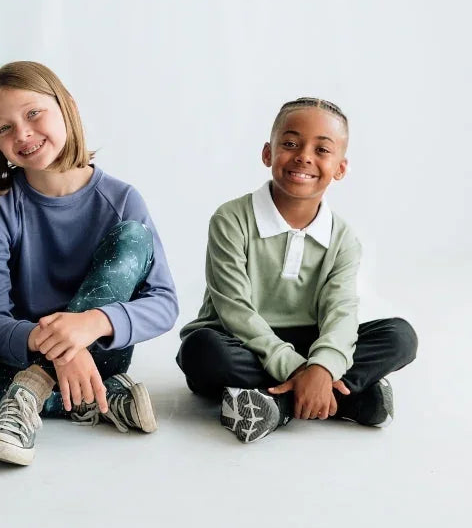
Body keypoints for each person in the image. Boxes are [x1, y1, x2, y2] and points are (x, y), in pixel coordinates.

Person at [0, 61, 178, 466]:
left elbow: (165, 303)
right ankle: (99, 399)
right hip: (22, 351)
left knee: (134, 236)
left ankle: (31, 393)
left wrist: (89, 325)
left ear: (68, 107)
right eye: (4, 128)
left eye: (33, 113)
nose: (23, 134)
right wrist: (62, 351)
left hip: (101, 352)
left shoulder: (122, 200)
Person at [177, 97, 417, 443]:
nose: (304, 155)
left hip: (311, 340)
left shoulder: (343, 239)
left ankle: (280, 406)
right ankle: (347, 399)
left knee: (400, 336)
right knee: (200, 351)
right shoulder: (230, 219)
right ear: (267, 153)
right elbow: (234, 310)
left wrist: (322, 365)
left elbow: (340, 313)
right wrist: (300, 369)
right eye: (290, 144)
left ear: (340, 168)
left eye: (322, 150)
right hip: (240, 341)